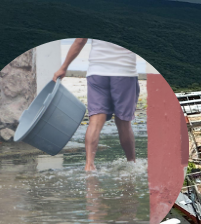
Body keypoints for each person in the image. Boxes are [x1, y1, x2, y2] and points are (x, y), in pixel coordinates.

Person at [53, 39, 139, 171]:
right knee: (123, 122)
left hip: (97, 72)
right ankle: (132, 164)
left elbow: (80, 40)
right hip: (124, 71)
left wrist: (63, 67)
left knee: (95, 120)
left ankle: (89, 165)